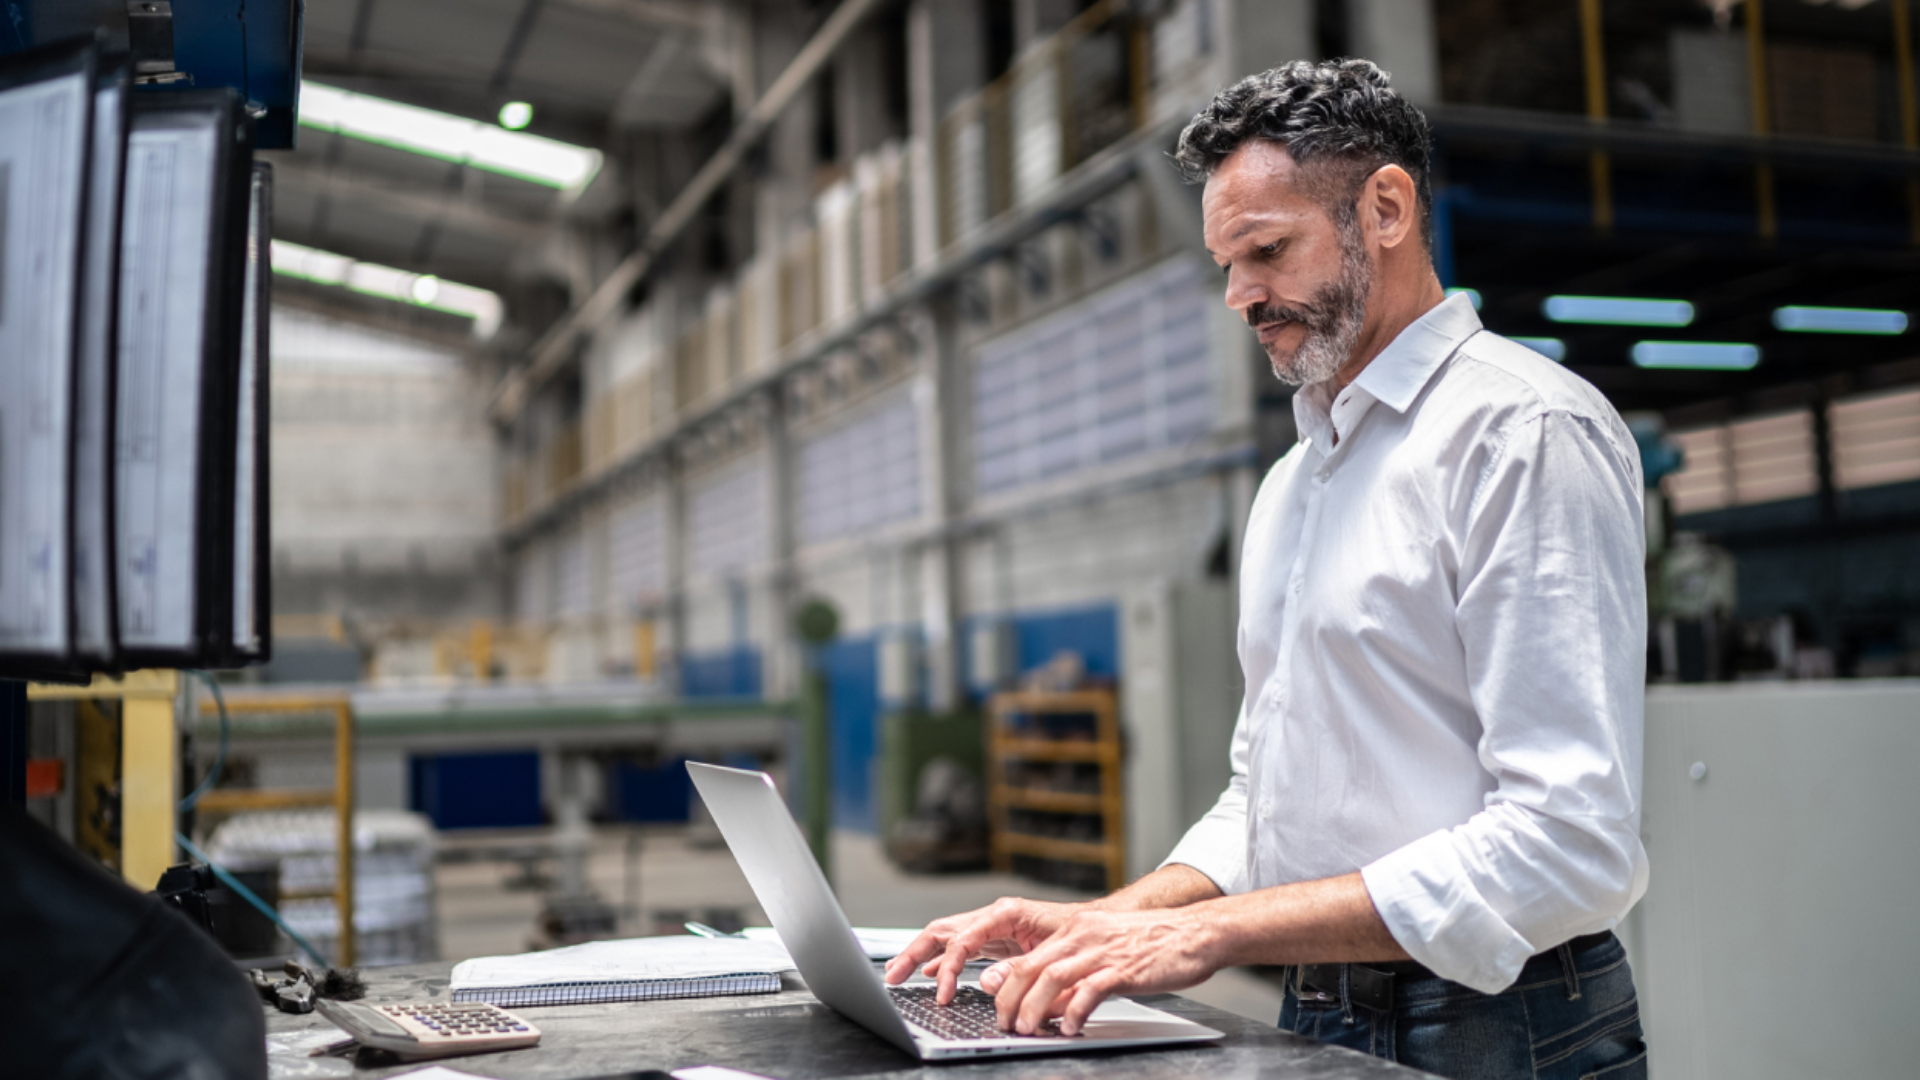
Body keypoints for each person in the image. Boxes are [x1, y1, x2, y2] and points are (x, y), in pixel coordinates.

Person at [885, 58, 1651, 1080]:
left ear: (1383, 208)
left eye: (1267, 251)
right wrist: (1100, 926)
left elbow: (1568, 841)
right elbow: (1267, 799)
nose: (1242, 295)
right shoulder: (1299, 478)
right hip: (1317, 998)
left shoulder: (1521, 433)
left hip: (1498, 1024)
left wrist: (1213, 937)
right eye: (1226, 266)